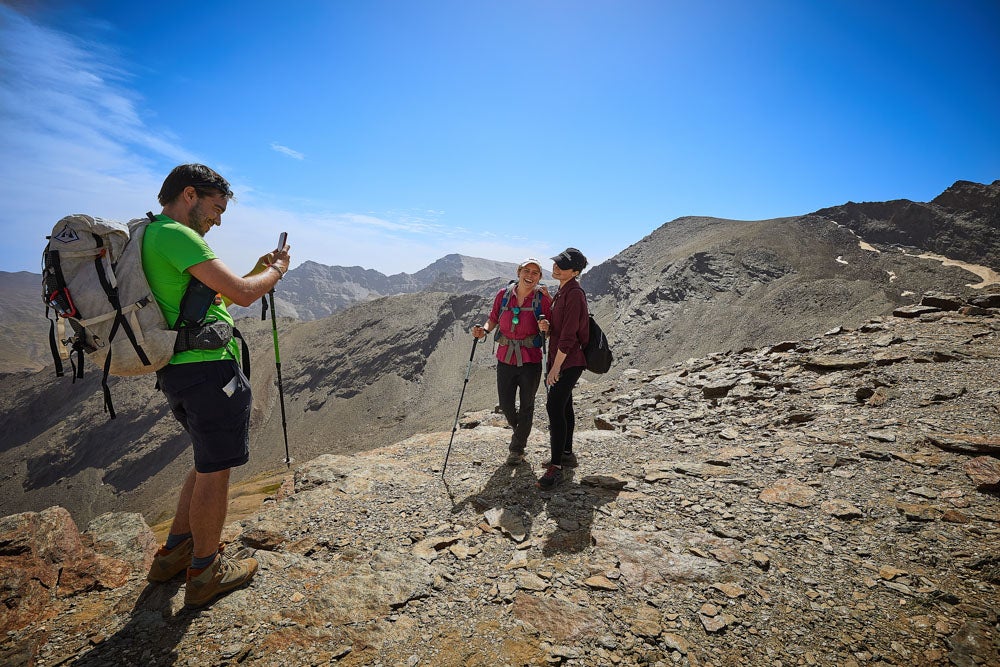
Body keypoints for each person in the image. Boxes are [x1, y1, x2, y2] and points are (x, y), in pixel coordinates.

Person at [141, 164, 291, 608]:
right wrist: (277, 271)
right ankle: (205, 571)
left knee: (206, 460)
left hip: (183, 370)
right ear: (190, 194)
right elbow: (245, 296)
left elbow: (216, 296)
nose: (219, 219)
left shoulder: (153, 234)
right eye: (216, 207)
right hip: (209, 370)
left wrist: (253, 270)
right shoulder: (177, 234)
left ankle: (175, 553)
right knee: (216, 469)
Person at [472, 258, 552, 466]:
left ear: (540, 278)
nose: (530, 275)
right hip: (506, 357)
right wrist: (485, 331)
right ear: (518, 272)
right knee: (507, 406)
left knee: (527, 406)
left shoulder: (542, 299)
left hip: (531, 360)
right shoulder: (503, 295)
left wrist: (546, 327)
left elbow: (550, 329)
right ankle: (521, 432)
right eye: (527, 271)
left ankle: (516, 449)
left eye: (535, 273)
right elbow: (493, 318)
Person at [537, 247, 589, 490]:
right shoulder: (562, 291)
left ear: (575, 271)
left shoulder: (575, 294)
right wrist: (547, 325)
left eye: (562, 265)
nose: (556, 267)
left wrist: (555, 368)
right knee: (565, 404)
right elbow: (560, 328)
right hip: (564, 359)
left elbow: (569, 336)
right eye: (556, 263)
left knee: (554, 406)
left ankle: (556, 466)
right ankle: (566, 452)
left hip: (568, 360)